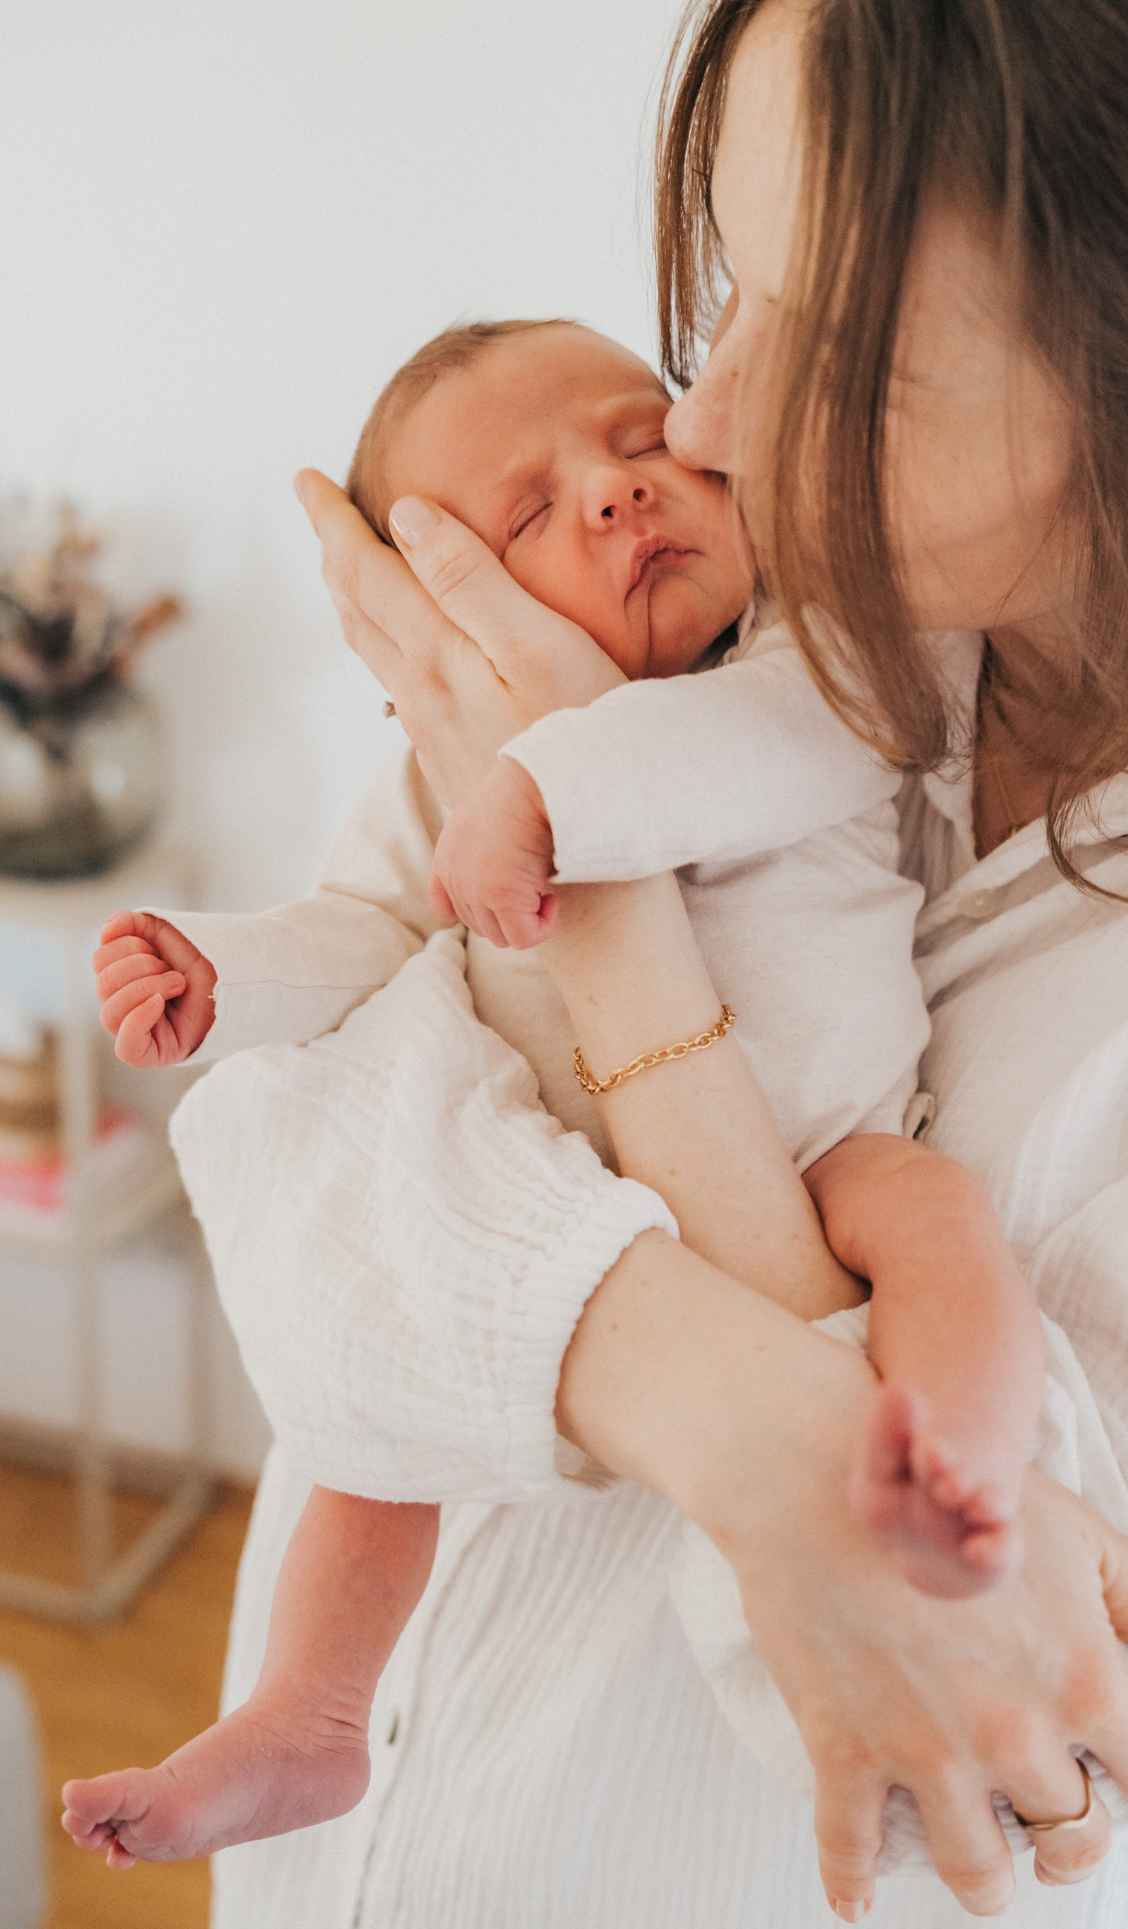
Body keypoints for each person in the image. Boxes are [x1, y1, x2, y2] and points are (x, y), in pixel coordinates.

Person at [120, 0, 1128, 1922]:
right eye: (731, 290)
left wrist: (613, 962)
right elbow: (283, 1177)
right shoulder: (677, 632)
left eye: (843, 356)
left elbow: (1000, 1730)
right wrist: (727, 1397)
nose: (701, 424)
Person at [61, 315, 1048, 1872]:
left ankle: (963, 1464)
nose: (611, 491)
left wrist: (548, 775)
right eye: (528, 514)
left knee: (935, 1224)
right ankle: (312, 1717)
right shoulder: (431, 782)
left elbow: (741, 760)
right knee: (364, 1431)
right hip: (544, 1167)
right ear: (436, 629)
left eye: (642, 438)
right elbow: (370, 935)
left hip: (821, 1149)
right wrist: (223, 976)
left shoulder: (817, 665)